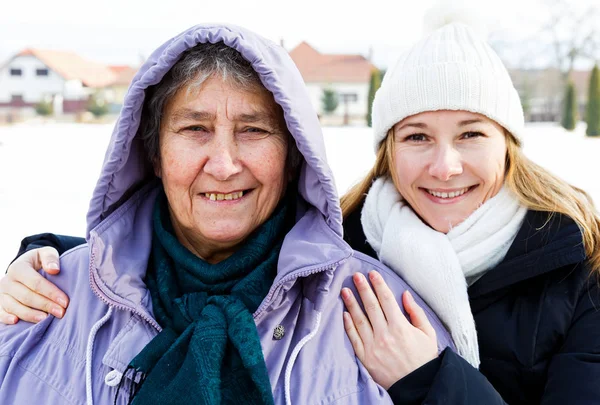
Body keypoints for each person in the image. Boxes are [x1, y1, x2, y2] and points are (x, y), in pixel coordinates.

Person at [0, 24, 455, 405]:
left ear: (293, 156)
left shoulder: (381, 311)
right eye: (195, 129)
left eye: (253, 130)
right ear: (154, 154)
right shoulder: (45, 300)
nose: (223, 164)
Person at [338, 23, 600, 404]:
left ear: (507, 146)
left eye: (470, 135)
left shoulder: (581, 265)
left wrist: (428, 380)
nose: (445, 167)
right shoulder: (335, 254)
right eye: (417, 136)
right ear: (388, 152)